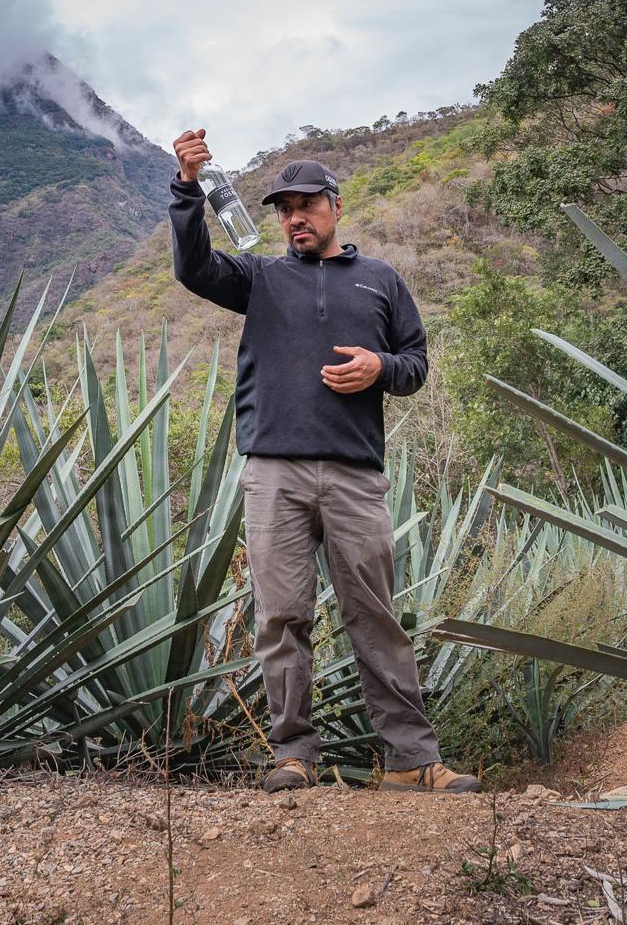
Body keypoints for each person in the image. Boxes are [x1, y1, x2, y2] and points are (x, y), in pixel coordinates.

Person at [167, 128, 480, 795]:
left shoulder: (380, 280)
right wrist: (186, 188)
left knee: (374, 614)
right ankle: (293, 755)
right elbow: (193, 267)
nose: (293, 217)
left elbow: (415, 365)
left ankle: (410, 760)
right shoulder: (258, 276)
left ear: (335, 206)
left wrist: (379, 366)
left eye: (306, 204)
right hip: (272, 472)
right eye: (283, 208)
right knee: (282, 616)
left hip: (353, 473)